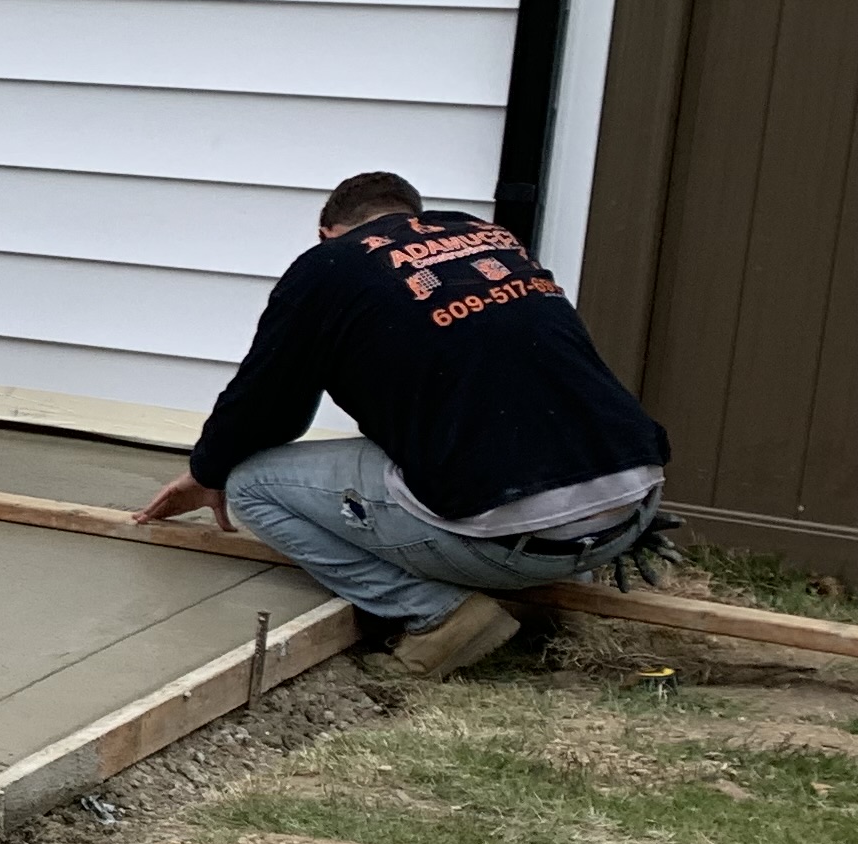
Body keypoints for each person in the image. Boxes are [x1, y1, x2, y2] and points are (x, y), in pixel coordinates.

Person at [131, 171, 665, 679]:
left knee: (251, 485)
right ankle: (564, 574)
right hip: (633, 506)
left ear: (326, 235)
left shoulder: (330, 266)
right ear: (414, 217)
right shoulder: (487, 240)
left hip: (511, 541)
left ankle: (439, 617)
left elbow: (269, 406)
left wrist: (208, 472)